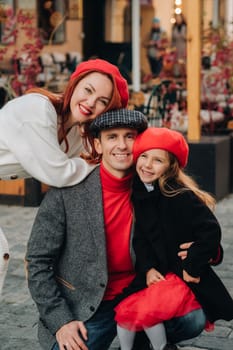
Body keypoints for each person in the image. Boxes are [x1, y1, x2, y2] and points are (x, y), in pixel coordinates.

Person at [25, 111, 207, 350]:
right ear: (98, 144)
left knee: (192, 320)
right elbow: (37, 261)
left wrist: (206, 251)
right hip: (89, 304)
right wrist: (62, 321)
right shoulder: (67, 191)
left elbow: (199, 226)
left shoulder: (154, 186)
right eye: (112, 137)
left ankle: (144, 339)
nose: (121, 145)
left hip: (141, 292)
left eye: (129, 136)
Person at [114, 127, 233, 350]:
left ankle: (161, 347)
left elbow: (210, 230)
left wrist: (193, 264)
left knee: (155, 313)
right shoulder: (140, 194)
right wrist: (147, 268)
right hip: (158, 273)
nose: (148, 165)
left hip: (180, 272)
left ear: (171, 166)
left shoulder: (180, 196)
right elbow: (141, 239)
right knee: (129, 310)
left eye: (157, 160)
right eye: (143, 156)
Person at [0, 58, 128, 187]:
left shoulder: (77, 132)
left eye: (103, 101)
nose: (90, 103)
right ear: (74, 85)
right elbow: (59, 175)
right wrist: (99, 165)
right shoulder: (38, 109)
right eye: (88, 90)